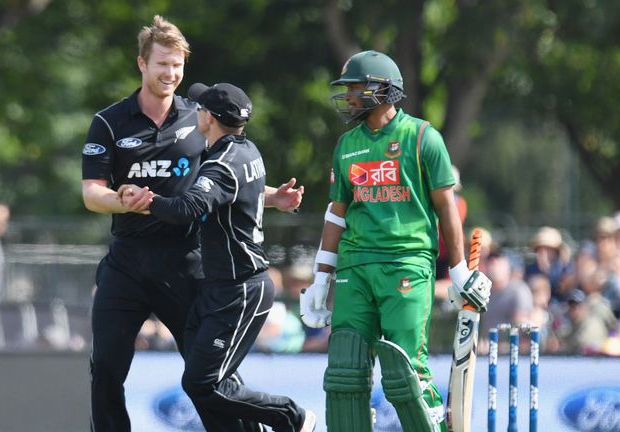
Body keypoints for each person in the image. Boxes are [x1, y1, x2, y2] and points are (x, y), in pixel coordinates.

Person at [80, 16, 303, 432]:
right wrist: (122, 201)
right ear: (142, 64)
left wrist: (274, 198)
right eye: (162, 64)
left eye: (177, 65)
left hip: (186, 263)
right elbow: (91, 193)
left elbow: (225, 181)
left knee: (209, 376)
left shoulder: (199, 117)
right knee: (106, 367)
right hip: (126, 263)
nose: (171, 74)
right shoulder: (110, 121)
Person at [299, 50, 491, 432]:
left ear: (383, 89)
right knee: (345, 370)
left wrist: (457, 271)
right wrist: (322, 276)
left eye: (356, 87)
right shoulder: (346, 144)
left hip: (406, 262)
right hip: (355, 266)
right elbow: (337, 213)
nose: (349, 95)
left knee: (406, 372)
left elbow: (446, 208)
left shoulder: (422, 137)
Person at [119, 82, 315, 432]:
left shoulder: (224, 161)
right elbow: (233, 193)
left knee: (203, 384)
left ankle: (292, 416)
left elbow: (188, 207)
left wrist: (145, 200)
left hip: (239, 290)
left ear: (208, 117)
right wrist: (276, 199)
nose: (194, 111)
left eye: (199, 108)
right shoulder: (244, 149)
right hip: (220, 287)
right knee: (215, 383)